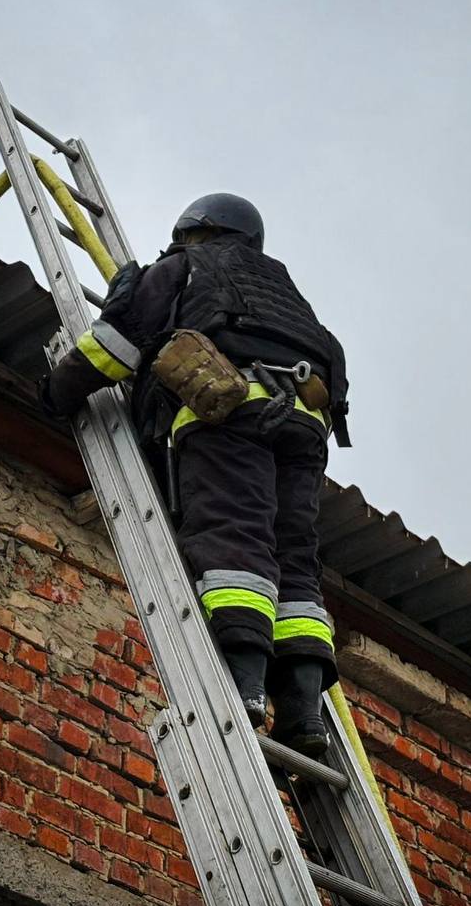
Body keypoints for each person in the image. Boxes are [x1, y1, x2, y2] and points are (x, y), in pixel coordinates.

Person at [41, 193, 350, 757]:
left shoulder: (186, 268)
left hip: (228, 414)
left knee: (236, 538)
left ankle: (245, 691)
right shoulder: (290, 297)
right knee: (295, 562)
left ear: (195, 230)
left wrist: (57, 390)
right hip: (306, 431)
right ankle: (304, 714)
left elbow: (112, 348)